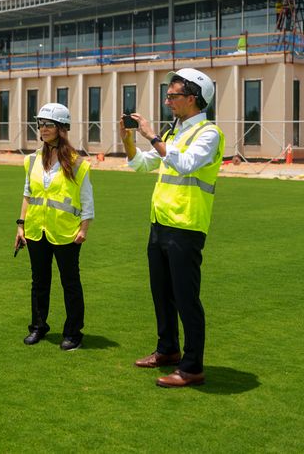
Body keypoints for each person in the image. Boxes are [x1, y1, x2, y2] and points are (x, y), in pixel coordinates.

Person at [120, 68, 225, 388]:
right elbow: (142, 164)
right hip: (161, 223)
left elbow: (185, 163)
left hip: (187, 225)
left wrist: (151, 134)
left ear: (193, 99)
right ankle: (167, 350)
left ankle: (192, 367)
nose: (167, 101)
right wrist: (128, 141)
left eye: (173, 96)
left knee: (185, 297)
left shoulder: (209, 133)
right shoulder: (173, 132)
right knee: (162, 293)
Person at [14, 103, 94, 351]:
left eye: (49, 124)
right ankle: (38, 327)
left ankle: (73, 332)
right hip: (37, 229)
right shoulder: (32, 160)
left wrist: (84, 228)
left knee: (70, 282)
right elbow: (28, 194)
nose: (43, 128)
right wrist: (20, 225)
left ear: (62, 128)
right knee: (39, 281)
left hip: (66, 232)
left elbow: (87, 199)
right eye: (41, 124)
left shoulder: (77, 163)